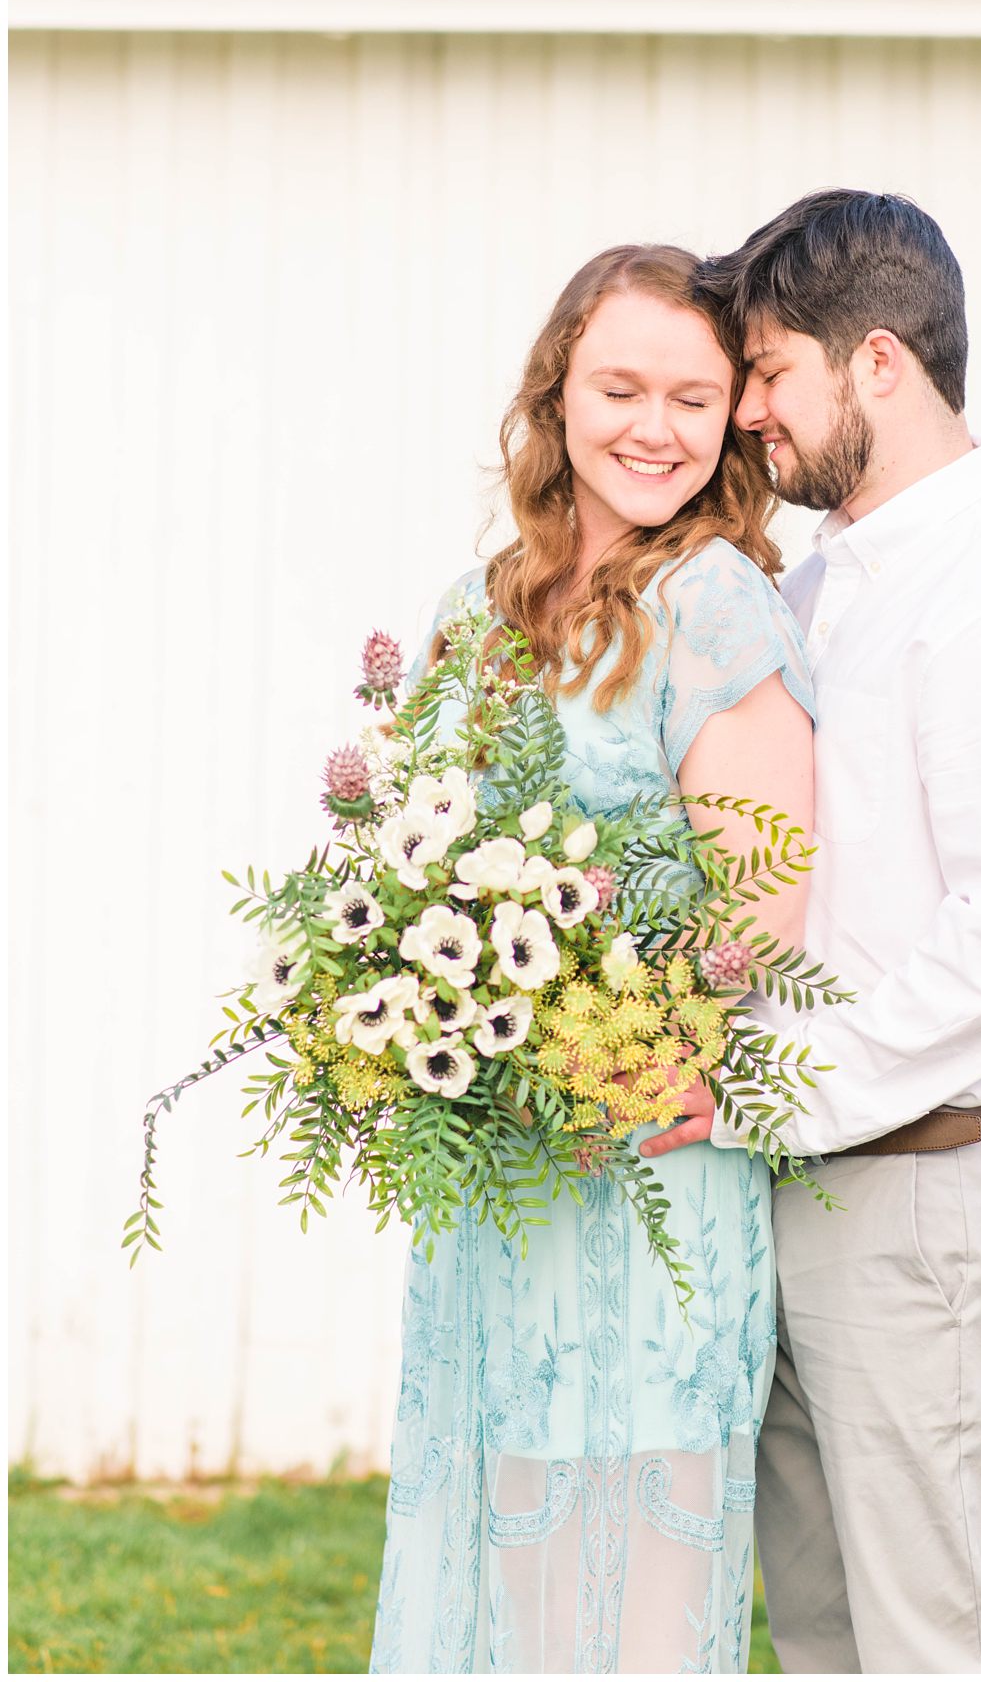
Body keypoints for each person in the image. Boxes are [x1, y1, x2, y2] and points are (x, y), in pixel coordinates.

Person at [643, 191, 981, 1674]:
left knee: (941, 1649)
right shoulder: (820, 591)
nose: (744, 414)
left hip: (938, 1193)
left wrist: (756, 1089)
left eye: (768, 370)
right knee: (825, 1643)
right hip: (810, 1191)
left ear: (876, 364)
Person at [369, 244, 816, 1675]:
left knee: (617, 1585)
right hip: (499, 1180)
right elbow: (410, 861)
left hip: (644, 1161)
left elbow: (764, 904)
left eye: (695, 398)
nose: (656, 427)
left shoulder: (716, 604)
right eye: (621, 386)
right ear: (555, 396)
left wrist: (589, 1028)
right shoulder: (473, 609)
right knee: (498, 1563)